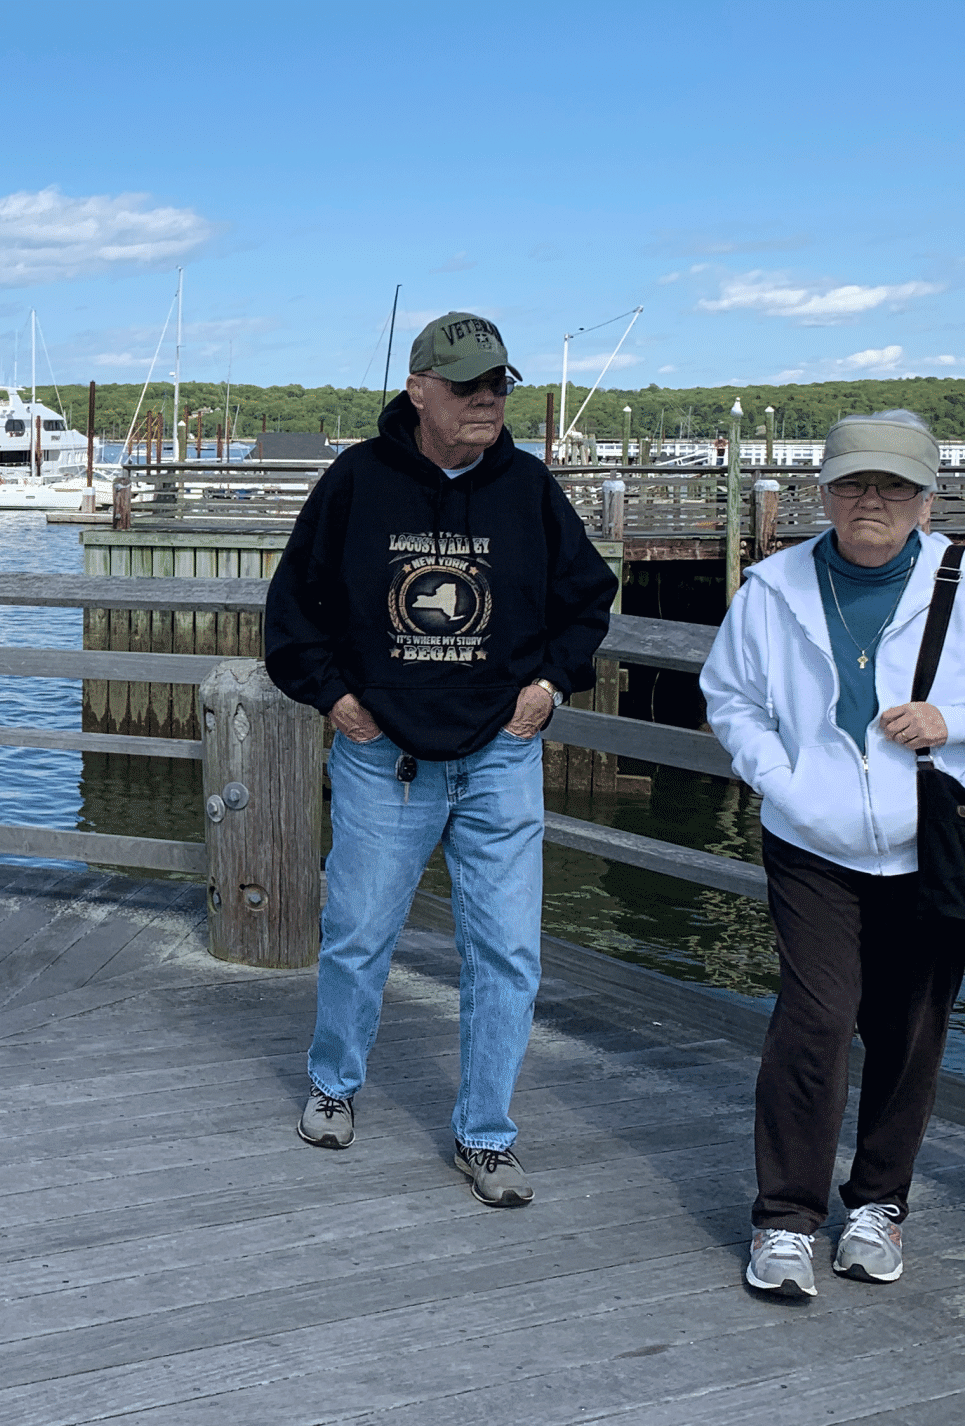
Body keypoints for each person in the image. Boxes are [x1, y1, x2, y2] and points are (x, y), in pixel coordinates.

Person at [701, 412, 965, 1297]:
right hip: (810, 839)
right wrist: (779, 780)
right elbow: (731, 698)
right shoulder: (771, 588)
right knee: (817, 1020)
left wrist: (957, 719)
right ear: (822, 491)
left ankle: (877, 1205)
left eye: (894, 487)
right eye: (855, 484)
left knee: (910, 1030)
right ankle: (786, 1218)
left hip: (931, 840)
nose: (872, 500)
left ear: (925, 500)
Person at [264, 312, 618, 1207]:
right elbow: (291, 611)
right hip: (384, 756)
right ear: (418, 388)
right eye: (467, 386)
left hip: (501, 752)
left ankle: (486, 1134)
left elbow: (588, 600)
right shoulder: (355, 482)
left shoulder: (529, 489)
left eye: (498, 385)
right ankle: (335, 1086)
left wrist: (550, 686)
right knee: (358, 937)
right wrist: (338, 701)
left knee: (507, 952)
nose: (487, 402)